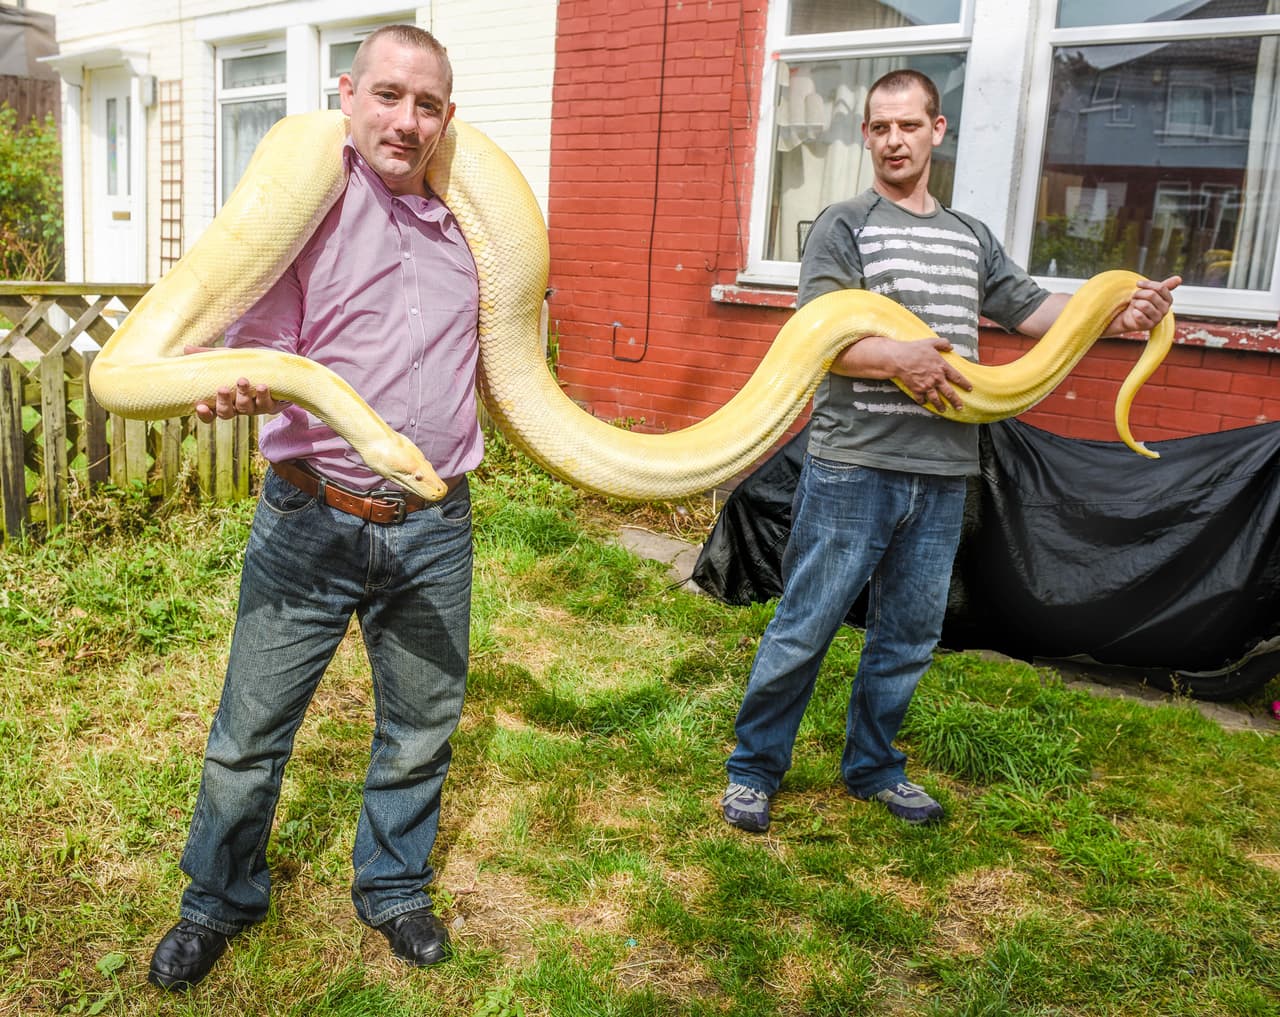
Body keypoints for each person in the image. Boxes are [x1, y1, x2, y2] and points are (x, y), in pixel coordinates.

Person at [721, 69, 1179, 833]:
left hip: (942, 471)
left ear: (938, 130)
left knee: (907, 634)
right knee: (806, 622)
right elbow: (815, 340)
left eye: (908, 125)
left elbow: (1037, 315)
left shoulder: (970, 238)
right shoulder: (845, 225)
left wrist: (1120, 309)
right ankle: (753, 770)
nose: (893, 140)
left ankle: (873, 767)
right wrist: (896, 358)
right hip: (853, 462)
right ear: (866, 137)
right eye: (879, 127)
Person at [148, 24, 480, 990]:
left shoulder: (472, 229)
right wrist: (232, 382)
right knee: (249, 731)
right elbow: (256, 344)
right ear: (348, 94)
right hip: (311, 512)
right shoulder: (306, 207)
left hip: (433, 523)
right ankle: (217, 899)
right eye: (388, 95)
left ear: (447, 117)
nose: (406, 120)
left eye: (426, 104)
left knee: (421, 724)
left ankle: (394, 886)